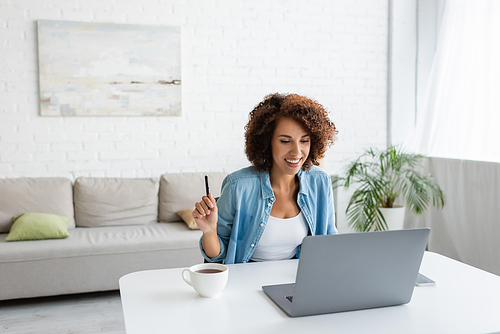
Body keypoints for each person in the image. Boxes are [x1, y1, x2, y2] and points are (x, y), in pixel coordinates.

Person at [192, 93, 338, 264]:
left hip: (299, 279)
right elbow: (218, 256)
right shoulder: (238, 186)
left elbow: (329, 242)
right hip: (248, 279)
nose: (297, 152)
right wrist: (209, 231)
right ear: (267, 142)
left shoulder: (319, 181)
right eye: (285, 141)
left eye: (304, 141)